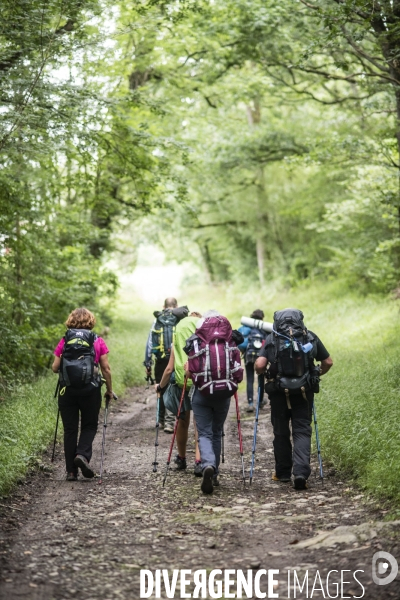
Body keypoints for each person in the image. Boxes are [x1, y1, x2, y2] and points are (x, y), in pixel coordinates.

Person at [255, 308, 333, 490]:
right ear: (300, 320)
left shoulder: (272, 338)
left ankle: (282, 473)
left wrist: (262, 372)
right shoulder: (309, 336)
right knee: (302, 431)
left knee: (281, 432)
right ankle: (300, 473)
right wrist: (315, 374)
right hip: (304, 392)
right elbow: (328, 362)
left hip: (278, 393)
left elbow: (259, 364)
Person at [185, 310, 244, 494]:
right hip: (224, 393)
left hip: (202, 393)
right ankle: (215, 472)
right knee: (217, 432)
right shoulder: (230, 340)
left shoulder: (196, 340)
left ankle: (207, 464)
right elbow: (237, 370)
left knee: (204, 433)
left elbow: (189, 371)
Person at [52, 307, 113, 481]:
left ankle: (71, 472)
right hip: (91, 391)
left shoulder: (65, 340)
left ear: (71, 320)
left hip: (67, 391)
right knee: (89, 426)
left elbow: (55, 368)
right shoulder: (97, 340)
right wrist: (109, 390)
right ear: (91, 321)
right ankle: (82, 455)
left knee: (70, 430)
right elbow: (106, 369)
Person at [156, 313, 202, 474]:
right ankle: (199, 461)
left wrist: (160, 387)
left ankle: (181, 459)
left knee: (182, 421)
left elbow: (169, 368)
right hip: (199, 380)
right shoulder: (203, 331)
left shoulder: (178, 333)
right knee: (199, 423)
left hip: (181, 382)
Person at [144, 297, 185, 433]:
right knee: (171, 388)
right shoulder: (179, 320)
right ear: (176, 306)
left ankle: (160, 420)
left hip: (160, 359)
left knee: (160, 387)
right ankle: (169, 422)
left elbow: (150, 343)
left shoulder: (157, 320)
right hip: (175, 358)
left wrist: (148, 363)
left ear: (164, 306)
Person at [238, 309, 268, 412]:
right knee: (261, 379)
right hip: (260, 356)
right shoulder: (264, 329)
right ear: (262, 318)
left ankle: (250, 403)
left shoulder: (247, 328)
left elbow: (241, 343)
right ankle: (259, 402)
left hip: (249, 355)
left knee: (250, 380)